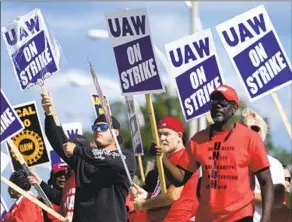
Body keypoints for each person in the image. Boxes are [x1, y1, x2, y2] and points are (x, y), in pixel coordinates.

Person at [152, 84, 274, 222]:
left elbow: (266, 182)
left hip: (239, 216)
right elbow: (180, 178)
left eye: (223, 102)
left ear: (234, 108)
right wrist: (161, 157)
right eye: (214, 102)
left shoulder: (250, 138)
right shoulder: (198, 139)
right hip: (206, 217)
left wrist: (266, 219)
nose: (217, 106)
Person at [41, 92, 136, 222]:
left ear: (115, 132)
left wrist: (77, 150)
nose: (97, 130)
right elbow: (59, 143)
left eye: (103, 127)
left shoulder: (126, 157)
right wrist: (49, 113)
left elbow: (107, 159)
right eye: (95, 127)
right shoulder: (83, 159)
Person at [131, 116, 199, 222]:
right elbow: (165, 192)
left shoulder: (185, 158)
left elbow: (172, 196)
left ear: (179, 136)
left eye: (167, 134)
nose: (162, 138)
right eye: (159, 134)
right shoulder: (168, 159)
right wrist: (147, 195)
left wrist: (143, 205)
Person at [242, 107, 285, 222]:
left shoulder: (274, 164)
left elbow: (277, 199)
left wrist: (244, 196)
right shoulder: (232, 162)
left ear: (263, 133)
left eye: (255, 128)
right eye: (244, 128)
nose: (249, 132)